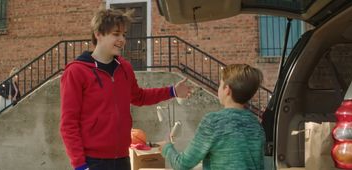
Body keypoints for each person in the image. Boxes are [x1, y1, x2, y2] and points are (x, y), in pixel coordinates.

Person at [60, 8, 192, 170]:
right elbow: (68, 124)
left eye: (124, 34)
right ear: (98, 34)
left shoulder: (125, 68)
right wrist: (80, 166)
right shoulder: (76, 72)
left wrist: (172, 91)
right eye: (116, 34)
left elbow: (139, 97)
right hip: (93, 162)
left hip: (122, 158)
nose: (122, 39)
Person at [160, 64, 265, 170]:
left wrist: (167, 148)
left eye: (220, 84)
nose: (218, 88)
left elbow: (182, 164)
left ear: (227, 90)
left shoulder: (213, 122)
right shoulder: (256, 125)